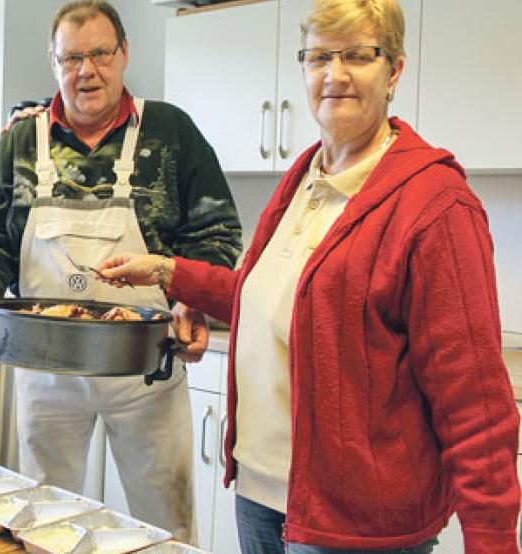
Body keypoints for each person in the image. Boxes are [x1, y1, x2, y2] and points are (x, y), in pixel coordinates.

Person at [96, 0, 521, 552]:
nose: (334, 74)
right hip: (261, 492)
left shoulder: (434, 203)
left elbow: (475, 399)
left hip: (356, 524)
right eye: (319, 57)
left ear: (394, 70)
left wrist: (492, 541)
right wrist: (166, 271)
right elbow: (278, 300)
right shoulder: (305, 177)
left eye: (357, 56)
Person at [0, 1, 242, 543]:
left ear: (124, 53)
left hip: (147, 366)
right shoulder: (19, 142)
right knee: (44, 521)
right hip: (45, 366)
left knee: (165, 524)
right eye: (72, 58)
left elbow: (216, 231)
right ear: (53, 62)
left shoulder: (170, 132)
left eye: (101, 54)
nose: (87, 71)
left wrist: (191, 303)